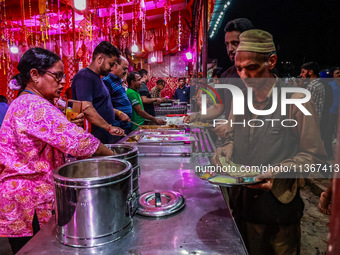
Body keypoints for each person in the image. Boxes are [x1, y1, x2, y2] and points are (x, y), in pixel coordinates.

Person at [212, 29, 327, 255]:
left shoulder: (295, 99)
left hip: (278, 210)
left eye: (252, 68)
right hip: (243, 203)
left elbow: (314, 155)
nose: (244, 76)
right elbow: (235, 137)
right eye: (239, 68)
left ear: (271, 61)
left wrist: (277, 171)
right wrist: (226, 150)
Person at [0, 48, 115, 254]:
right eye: (58, 75)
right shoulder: (33, 105)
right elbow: (79, 142)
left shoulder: (31, 102)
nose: (63, 82)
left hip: (26, 195)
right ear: (35, 75)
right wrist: (116, 159)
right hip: (28, 199)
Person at [185, 18, 254, 123]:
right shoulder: (227, 75)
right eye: (227, 44)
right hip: (232, 138)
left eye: (235, 43)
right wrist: (197, 116)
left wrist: (231, 126)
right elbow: (218, 107)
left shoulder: (263, 73)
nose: (230, 49)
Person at [72, 41, 126, 144]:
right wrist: (108, 127)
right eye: (111, 64)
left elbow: (100, 104)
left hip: (103, 133)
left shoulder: (97, 77)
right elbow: (86, 107)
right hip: (94, 135)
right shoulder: (85, 77)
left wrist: (118, 113)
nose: (111, 68)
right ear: (100, 59)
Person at [103, 56, 133, 135]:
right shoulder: (106, 81)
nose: (125, 72)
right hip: (116, 127)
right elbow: (104, 106)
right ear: (114, 66)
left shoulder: (118, 80)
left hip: (124, 125)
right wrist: (119, 113)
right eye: (124, 68)